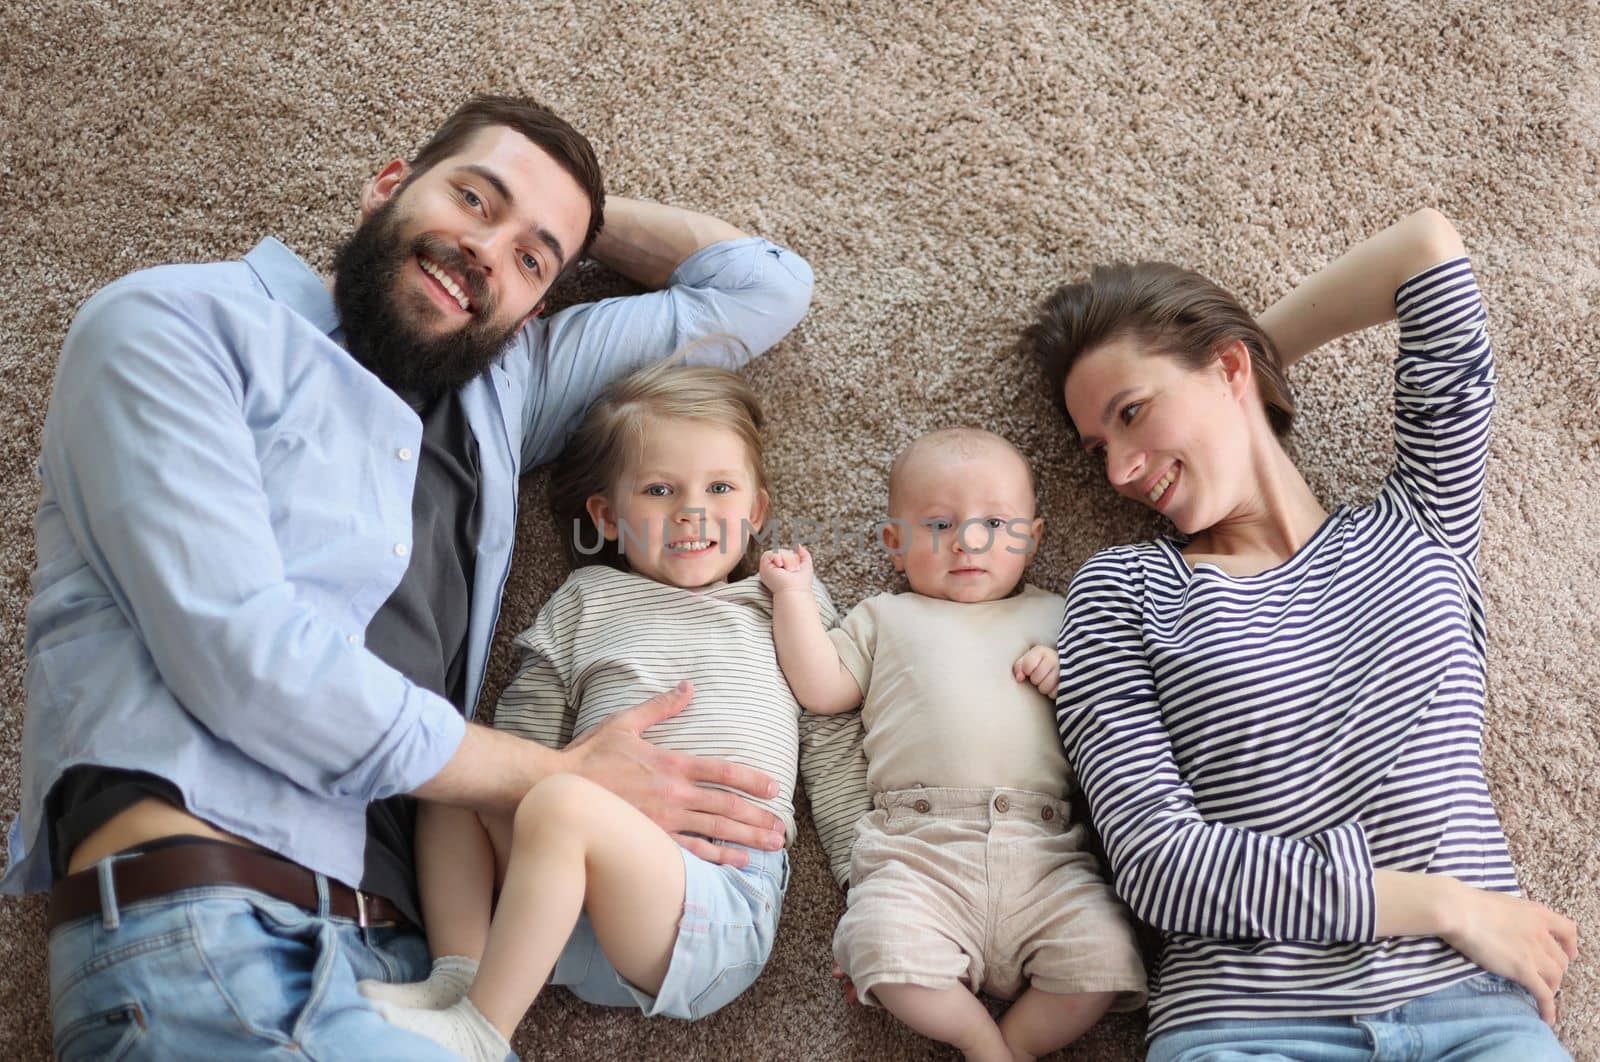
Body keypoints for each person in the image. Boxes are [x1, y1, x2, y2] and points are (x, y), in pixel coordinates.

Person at [4, 94, 813, 1060]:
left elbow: (760, 287)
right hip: (220, 933)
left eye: (530, 257)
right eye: (474, 199)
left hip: (416, 969)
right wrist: (557, 778)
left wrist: (580, 224)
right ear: (387, 186)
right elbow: (244, 661)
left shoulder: (508, 388)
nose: (487, 252)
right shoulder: (184, 321)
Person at [1023, 209, 1578, 1060]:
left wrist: (1248, 357)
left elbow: (1426, 248)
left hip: (1472, 1012)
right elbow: (1158, 864)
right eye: (1099, 446)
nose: (1121, 471)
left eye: (1132, 414)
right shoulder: (1124, 591)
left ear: (1228, 367)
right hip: (1246, 1027)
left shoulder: (1423, 520)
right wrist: (1443, 903)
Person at [357, 362, 862, 1059]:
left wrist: (864, 871)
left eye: (720, 488)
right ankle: (461, 978)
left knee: (562, 805)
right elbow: (524, 733)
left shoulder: (776, 606)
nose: (692, 511)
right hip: (551, 904)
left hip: (711, 899)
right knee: (458, 769)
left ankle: (483, 1034)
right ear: (606, 516)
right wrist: (537, 791)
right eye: (659, 490)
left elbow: (831, 714)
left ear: (756, 511)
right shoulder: (586, 597)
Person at [758, 427, 1147, 1062]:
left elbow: (1121, 717)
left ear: (1034, 538)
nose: (969, 541)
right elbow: (822, 687)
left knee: (1105, 956)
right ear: (894, 544)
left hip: (1047, 849)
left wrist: (1067, 676)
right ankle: (977, 1040)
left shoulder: (1061, 616)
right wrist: (794, 598)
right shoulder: (886, 616)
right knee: (879, 945)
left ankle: (1011, 1048)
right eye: (939, 525)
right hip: (919, 853)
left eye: (995, 523)